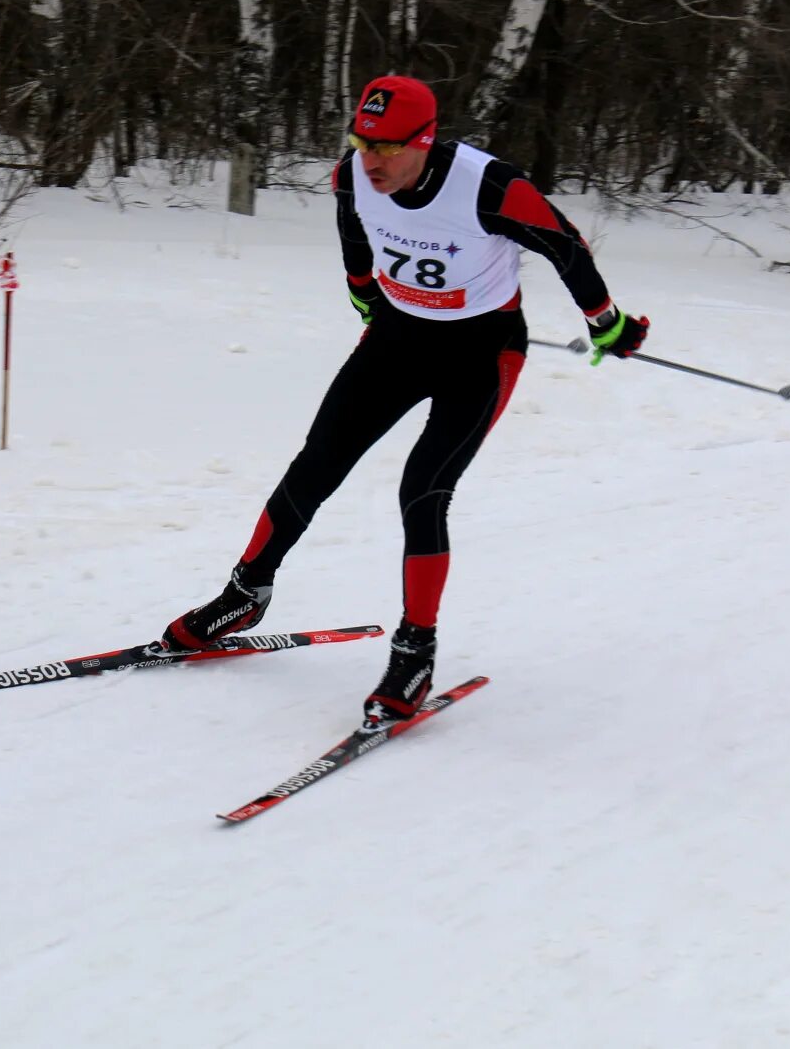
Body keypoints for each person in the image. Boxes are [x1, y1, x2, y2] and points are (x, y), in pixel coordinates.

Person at [158, 75, 649, 727]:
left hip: (481, 352)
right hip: (398, 337)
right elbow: (354, 235)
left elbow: (564, 244)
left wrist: (606, 320)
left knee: (423, 490)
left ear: (424, 140)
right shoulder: (353, 176)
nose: (373, 161)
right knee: (318, 461)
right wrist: (364, 294)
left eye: (388, 147)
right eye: (363, 143)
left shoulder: (492, 186)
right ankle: (245, 594)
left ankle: (414, 650)